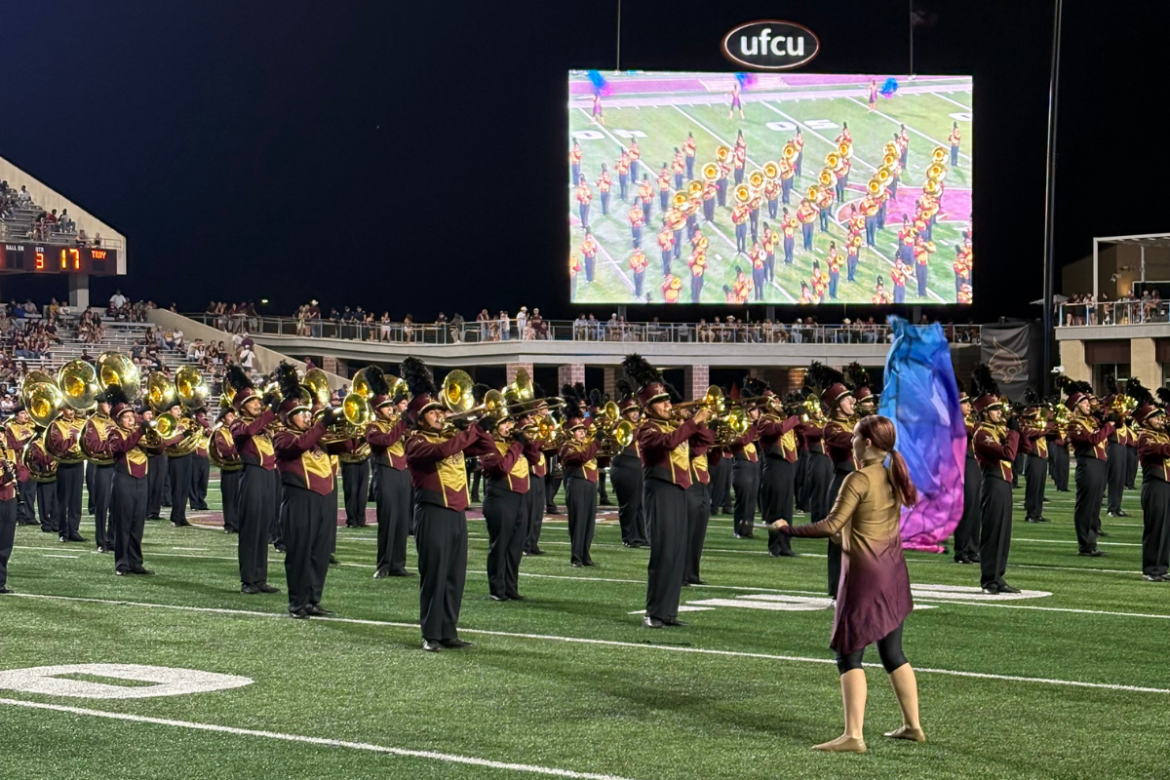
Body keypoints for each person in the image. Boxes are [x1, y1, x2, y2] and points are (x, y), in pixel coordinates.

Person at [774, 415, 925, 752]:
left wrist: (787, 529)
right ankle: (913, 725)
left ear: (868, 443)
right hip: (894, 571)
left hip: (865, 574)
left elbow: (831, 525)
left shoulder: (857, 479)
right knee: (892, 652)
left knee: (849, 655)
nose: (851, 440)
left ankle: (853, 735)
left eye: (855, 435)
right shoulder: (892, 474)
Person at [403, 357, 493, 651]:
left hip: (456, 514)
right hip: (432, 513)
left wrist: (483, 427)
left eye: (442, 411)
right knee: (434, 576)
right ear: (421, 417)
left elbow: (486, 448)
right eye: (434, 413)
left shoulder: (452, 434)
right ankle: (431, 634)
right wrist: (470, 430)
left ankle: (449, 631)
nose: (441, 416)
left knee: (455, 576)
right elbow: (442, 451)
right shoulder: (415, 441)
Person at [624, 354, 709, 628]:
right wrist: (691, 422)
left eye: (668, 401)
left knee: (677, 552)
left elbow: (705, 442)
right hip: (660, 492)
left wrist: (698, 422)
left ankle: (669, 612)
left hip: (679, 491)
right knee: (663, 553)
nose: (668, 405)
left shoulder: (674, 426)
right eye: (661, 402)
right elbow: (670, 443)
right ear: (648, 406)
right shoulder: (646, 429)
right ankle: (653, 613)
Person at [272, 363, 346, 619]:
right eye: (301, 413)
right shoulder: (282, 436)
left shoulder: (318, 436)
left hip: (324, 499)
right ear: (288, 417)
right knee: (300, 552)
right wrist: (322, 424)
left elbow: (348, 446)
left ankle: (313, 599)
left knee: (320, 552)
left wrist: (340, 422)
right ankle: (297, 603)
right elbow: (298, 447)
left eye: (308, 412)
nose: (307, 416)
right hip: (299, 498)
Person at [228, 366, 282, 595]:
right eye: (253, 402)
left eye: (259, 402)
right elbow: (248, 431)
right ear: (242, 406)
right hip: (252, 476)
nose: (258, 405)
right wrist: (270, 411)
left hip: (269, 477)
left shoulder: (265, 426)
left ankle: (260, 578)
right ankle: (247, 580)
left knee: (263, 529)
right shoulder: (237, 424)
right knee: (251, 529)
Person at [971, 365, 1021, 594]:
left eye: (1000, 408)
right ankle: (988, 579)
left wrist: (1017, 429)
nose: (1000, 412)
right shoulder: (982, 434)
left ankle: (998, 576)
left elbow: (1025, 448)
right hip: (992, 484)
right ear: (983, 412)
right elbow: (1008, 454)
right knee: (992, 533)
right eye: (995, 409)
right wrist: (1012, 433)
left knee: (1004, 532)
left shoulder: (998, 430)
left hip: (1004, 484)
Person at [363, 368, 412, 578]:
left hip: (403, 473)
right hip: (385, 473)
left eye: (391, 406)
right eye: (386, 407)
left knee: (402, 520)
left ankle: (398, 564)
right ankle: (383, 564)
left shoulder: (396, 425)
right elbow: (385, 441)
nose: (391, 410)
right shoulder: (372, 426)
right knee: (388, 520)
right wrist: (401, 425)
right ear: (377, 410)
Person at [815, 364, 858, 598]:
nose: (852, 401)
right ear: (835, 404)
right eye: (846, 398)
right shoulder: (831, 428)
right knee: (838, 540)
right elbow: (855, 440)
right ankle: (836, 590)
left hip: (860, 484)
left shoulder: (854, 423)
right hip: (842, 484)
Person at [478, 409, 530, 600]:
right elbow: (502, 468)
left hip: (519, 498)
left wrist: (524, 440)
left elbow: (533, 458)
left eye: (510, 422)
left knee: (515, 547)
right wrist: (518, 445)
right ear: (494, 427)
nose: (509, 426)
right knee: (500, 546)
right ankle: (496, 589)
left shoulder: (513, 444)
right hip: (500, 498)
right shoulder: (488, 445)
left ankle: (510, 588)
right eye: (504, 423)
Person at [104, 388, 156, 576]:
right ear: (118, 420)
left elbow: (158, 450)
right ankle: (121, 563)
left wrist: (155, 438)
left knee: (137, 524)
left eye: (131, 416)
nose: (131, 419)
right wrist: (140, 431)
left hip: (142, 481)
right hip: (124, 480)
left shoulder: (139, 432)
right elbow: (121, 448)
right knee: (123, 524)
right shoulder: (114, 433)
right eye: (126, 417)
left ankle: (136, 562)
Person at [1063, 378, 1112, 557]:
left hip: (1098, 464)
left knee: (1095, 505)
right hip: (1088, 465)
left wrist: (1112, 420)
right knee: (1086, 505)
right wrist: (1108, 426)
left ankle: (1092, 543)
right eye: (1083, 402)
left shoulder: (1091, 421)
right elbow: (1093, 439)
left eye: (1086, 401)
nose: (1087, 404)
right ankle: (1084, 545)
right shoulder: (1075, 424)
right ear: (1076, 406)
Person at [559, 389, 600, 567]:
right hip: (576, 484)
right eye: (578, 431)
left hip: (591, 484)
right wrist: (597, 442)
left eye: (583, 430)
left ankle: (586, 554)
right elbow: (581, 458)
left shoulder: (587, 444)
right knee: (578, 521)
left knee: (589, 522)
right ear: (570, 433)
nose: (582, 433)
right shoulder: (567, 446)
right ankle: (576, 556)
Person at [610, 379, 648, 548]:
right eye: (631, 410)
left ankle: (640, 536)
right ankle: (629, 536)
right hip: (624, 465)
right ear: (624, 412)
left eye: (636, 410)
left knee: (639, 503)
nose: (635, 413)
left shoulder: (638, 425)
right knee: (628, 504)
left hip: (638, 465)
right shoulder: (619, 426)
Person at [1135, 399, 1170, 581]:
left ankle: (1162, 568)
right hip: (1155, 485)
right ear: (1145, 421)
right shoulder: (1145, 437)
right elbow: (1162, 451)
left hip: (1166, 485)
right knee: (1155, 528)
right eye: (1154, 417)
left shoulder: (1164, 434)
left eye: (1159, 416)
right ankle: (1150, 570)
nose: (1159, 419)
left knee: (1166, 529)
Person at [82, 393, 118, 553]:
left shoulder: (114, 421)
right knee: (102, 506)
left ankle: (112, 539)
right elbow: (94, 445)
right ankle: (101, 540)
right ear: (99, 405)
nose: (109, 407)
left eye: (110, 404)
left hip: (117, 466)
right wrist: (114, 443)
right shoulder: (92, 423)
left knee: (115, 506)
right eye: (106, 404)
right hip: (102, 467)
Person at [47, 405, 86, 543]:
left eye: (73, 408)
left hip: (79, 463)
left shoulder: (81, 422)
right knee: (63, 500)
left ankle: (74, 530)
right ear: (62, 410)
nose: (72, 411)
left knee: (77, 499)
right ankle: (63, 531)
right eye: (69, 408)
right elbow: (58, 446)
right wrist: (72, 438)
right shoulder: (56, 425)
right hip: (64, 464)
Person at [953, 387, 981, 564]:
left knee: (975, 508)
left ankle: (972, 548)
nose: (969, 406)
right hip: (961, 466)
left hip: (973, 464)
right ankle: (961, 549)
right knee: (966, 508)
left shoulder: (969, 421)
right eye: (965, 403)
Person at [210, 402, 242, 534]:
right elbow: (226, 451)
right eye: (230, 416)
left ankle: (238, 523)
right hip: (229, 468)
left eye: (234, 415)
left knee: (239, 496)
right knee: (229, 497)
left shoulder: (238, 430)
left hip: (240, 466)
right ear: (223, 418)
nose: (233, 417)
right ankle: (229, 524)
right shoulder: (220, 432)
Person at [5, 406, 37, 526]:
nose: (26, 416)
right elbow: (11, 445)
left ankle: (30, 516)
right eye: (23, 413)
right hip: (19, 463)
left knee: (31, 492)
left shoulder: (33, 425)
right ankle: (20, 516)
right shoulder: (10, 428)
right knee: (20, 492)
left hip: (32, 463)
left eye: (27, 413)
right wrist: (27, 441)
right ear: (17, 415)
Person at [0, 433, 18, 593]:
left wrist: (16, 471)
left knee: (6, 544)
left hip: (10, 500)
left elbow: (25, 472)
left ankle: (0, 582)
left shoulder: (9, 452)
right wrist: (5, 474)